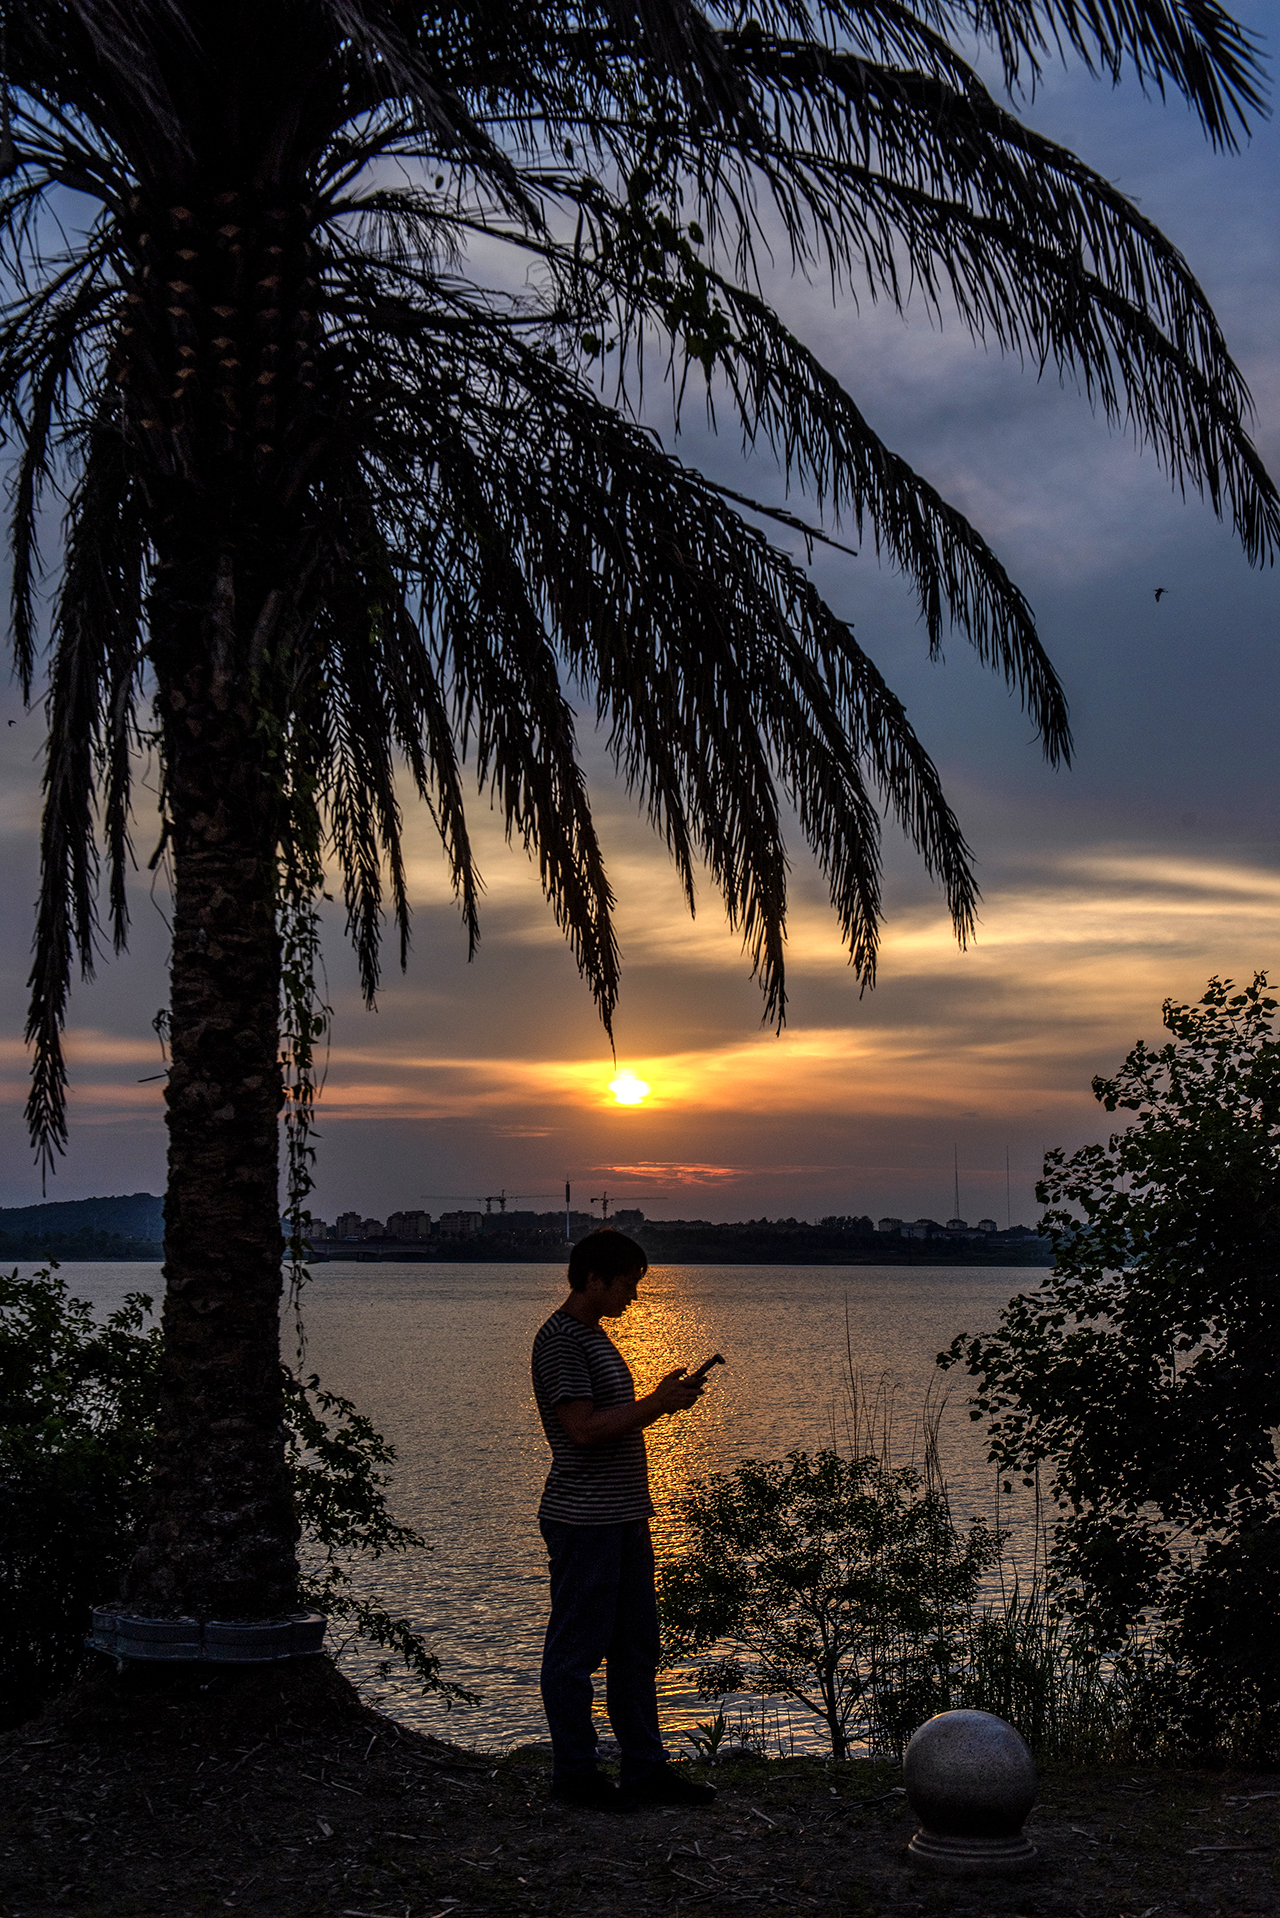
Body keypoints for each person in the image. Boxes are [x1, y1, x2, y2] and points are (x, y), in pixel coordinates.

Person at [531, 1228, 718, 1812]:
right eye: (628, 1284)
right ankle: (576, 1776)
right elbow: (581, 1431)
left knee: (636, 1649)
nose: (633, 1297)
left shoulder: (594, 1336)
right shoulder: (562, 1341)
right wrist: (657, 1405)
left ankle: (644, 1769)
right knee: (576, 1652)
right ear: (594, 1279)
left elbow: (611, 1418)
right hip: (585, 1520)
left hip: (624, 1516)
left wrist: (661, 1397)